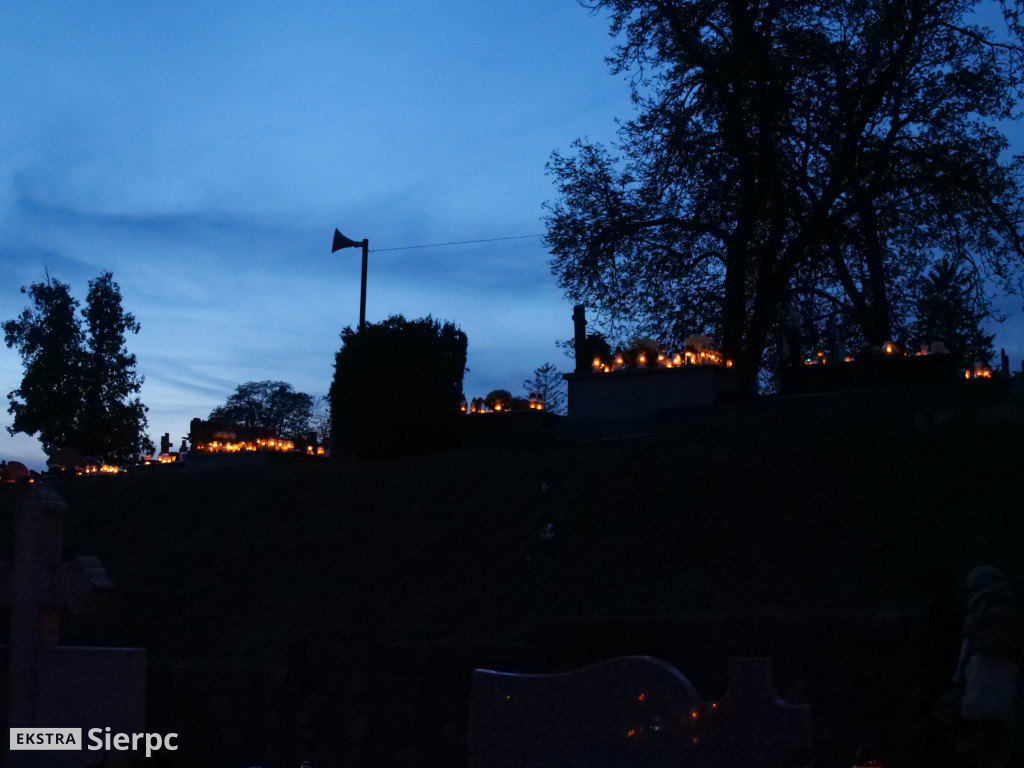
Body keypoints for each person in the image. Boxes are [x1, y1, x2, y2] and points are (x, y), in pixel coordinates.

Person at [952, 566, 1022, 768]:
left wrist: (971, 629)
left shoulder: (996, 613)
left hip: (995, 693)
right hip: (995, 693)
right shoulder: (993, 610)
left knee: (994, 752)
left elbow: (998, 645)